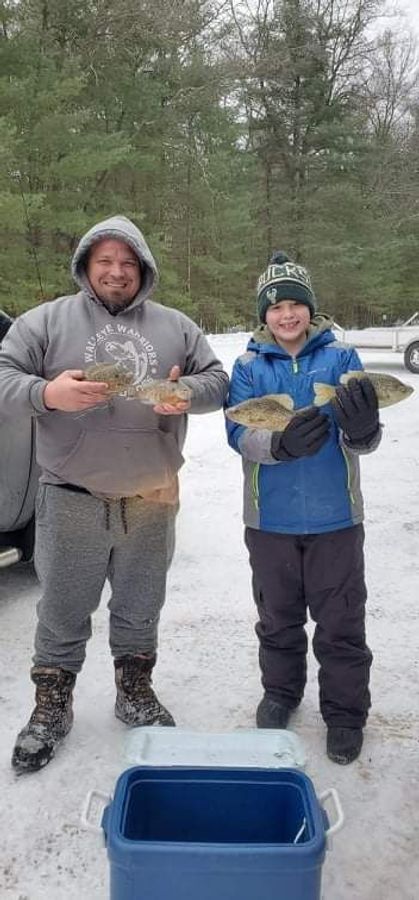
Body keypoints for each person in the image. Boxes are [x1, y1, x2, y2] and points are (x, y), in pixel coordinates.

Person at [0, 215, 229, 774]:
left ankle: (135, 692)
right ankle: (51, 707)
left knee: (139, 605)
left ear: (143, 269)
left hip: (151, 495)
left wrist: (185, 393)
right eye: (105, 261)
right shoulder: (45, 322)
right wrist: (46, 392)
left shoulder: (176, 326)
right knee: (61, 608)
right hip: (71, 493)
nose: (116, 272)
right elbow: (3, 375)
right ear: (86, 266)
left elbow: (218, 381)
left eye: (127, 263)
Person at [225, 251, 381, 765]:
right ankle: (281, 693)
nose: (286, 315)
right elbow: (237, 429)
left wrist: (363, 431)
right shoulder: (248, 366)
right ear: (262, 315)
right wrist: (279, 447)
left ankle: (344, 714)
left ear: (310, 310)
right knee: (277, 618)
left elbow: (362, 427)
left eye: (296, 304)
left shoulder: (339, 358)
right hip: (269, 521)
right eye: (275, 307)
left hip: (337, 520)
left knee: (341, 622)